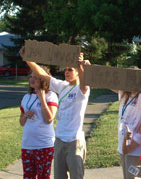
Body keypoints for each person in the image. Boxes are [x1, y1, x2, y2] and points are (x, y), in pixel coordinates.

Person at [20, 46, 90, 179]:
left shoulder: (82, 90)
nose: (66, 72)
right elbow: (42, 74)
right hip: (59, 140)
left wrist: (81, 66)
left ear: (77, 73)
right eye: (65, 69)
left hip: (74, 141)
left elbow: (84, 85)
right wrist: (27, 59)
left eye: (70, 69)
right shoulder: (62, 86)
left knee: (76, 176)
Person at [20, 66, 58, 179]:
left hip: (44, 145)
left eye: (35, 77)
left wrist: (42, 100)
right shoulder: (26, 97)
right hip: (27, 145)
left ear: (43, 79)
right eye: (31, 77)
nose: (32, 79)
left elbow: (49, 119)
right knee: (28, 176)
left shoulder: (51, 96)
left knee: (43, 176)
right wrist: (25, 115)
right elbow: (21, 122)